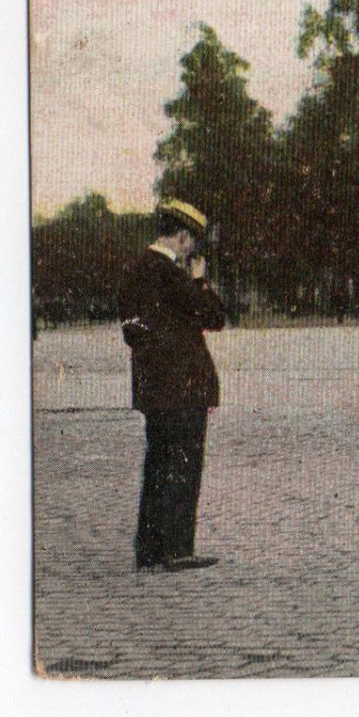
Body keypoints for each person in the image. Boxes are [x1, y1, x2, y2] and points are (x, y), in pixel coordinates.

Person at [118, 199, 227, 572]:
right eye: (190, 243)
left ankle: (149, 551)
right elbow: (214, 316)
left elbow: (131, 330)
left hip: (154, 388)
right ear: (182, 237)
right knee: (183, 467)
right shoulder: (172, 274)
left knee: (157, 466)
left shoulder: (135, 269)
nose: (191, 251)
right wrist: (199, 280)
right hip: (183, 388)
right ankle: (178, 549)